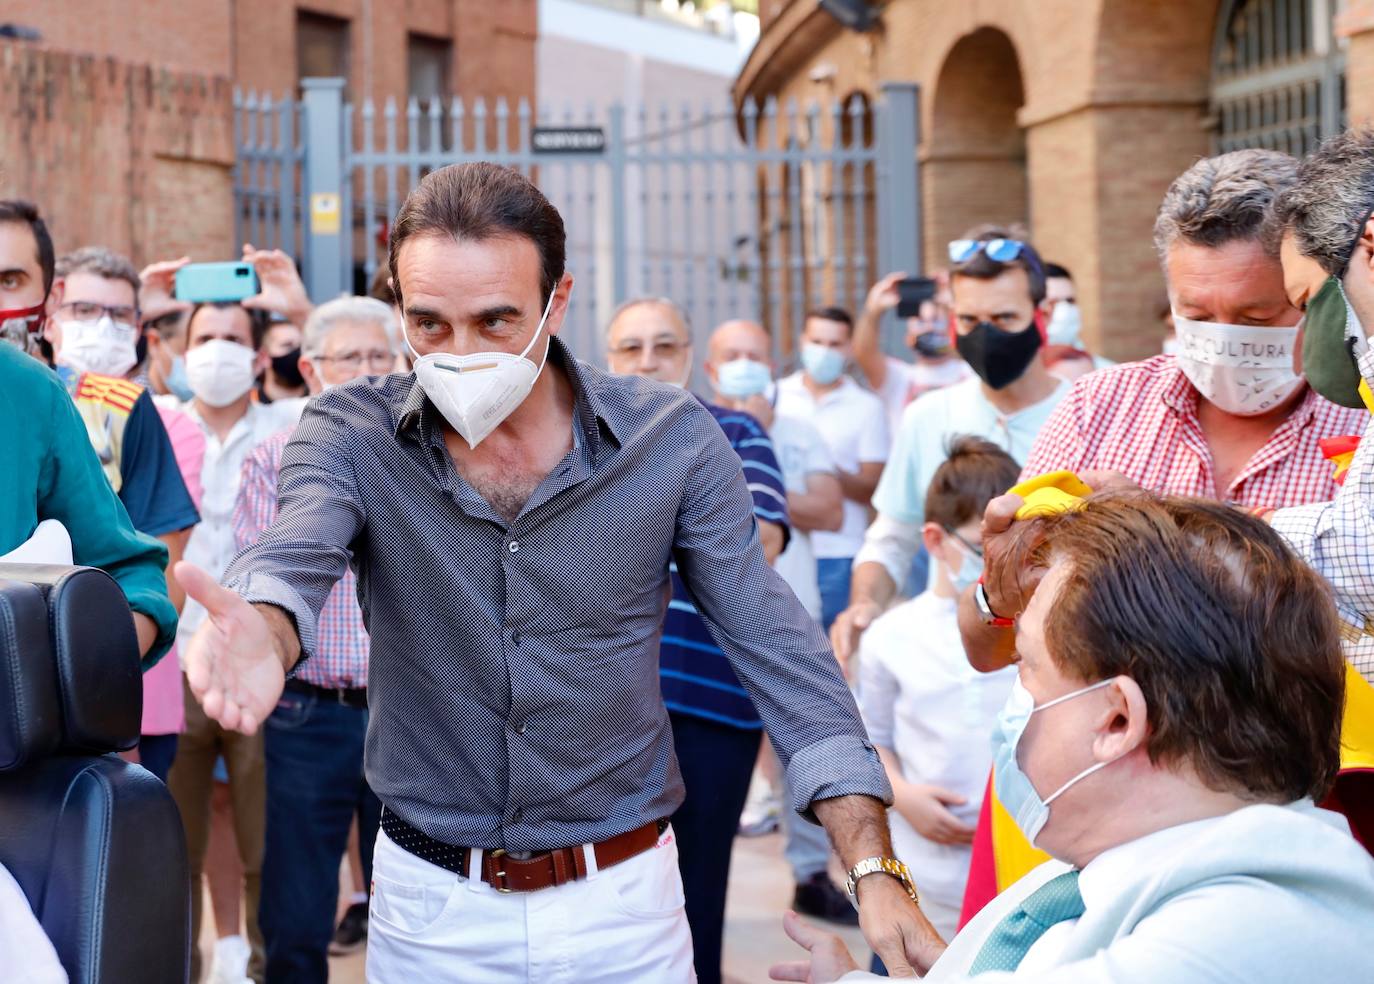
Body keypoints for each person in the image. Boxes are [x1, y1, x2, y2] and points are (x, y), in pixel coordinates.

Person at [176, 162, 940, 981]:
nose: (461, 353)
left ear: (558, 303)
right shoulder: (348, 431)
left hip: (623, 906)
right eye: (429, 324)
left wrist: (872, 867)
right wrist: (269, 623)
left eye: (497, 321)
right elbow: (300, 543)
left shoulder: (668, 439)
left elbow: (778, 649)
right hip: (431, 909)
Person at [773, 495, 1374, 983]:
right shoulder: (1107, 876)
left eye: (1027, 667)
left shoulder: (1242, 932)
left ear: (1117, 720)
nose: (1014, 704)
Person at [607, 301, 790, 984]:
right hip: (605, 707)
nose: (647, 361)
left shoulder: (735, 431)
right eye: (630, 348)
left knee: (695, 899)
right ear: (609, 356)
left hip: (712, 706)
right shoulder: (579, 442)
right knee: (608, 896)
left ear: (690, 356)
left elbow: (759, 542)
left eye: (663, 345)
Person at [236, 296, 396, 983]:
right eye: (349, 358)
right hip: (310, 713)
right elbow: (256, 576)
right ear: (310, 368)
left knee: (414, 907)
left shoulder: (424, 457)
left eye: (379, 358)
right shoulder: (273, 458)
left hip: (409, 712)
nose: (366, 372)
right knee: (297, 912)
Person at [832, 229, 1069, 670]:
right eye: (969, 321)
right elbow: (893, 538)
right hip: (949, 660)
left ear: (1044, 314)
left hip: (1062, 656)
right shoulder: (928, 417)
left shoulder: (1085, 413)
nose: (986, 336)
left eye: (1003, 319)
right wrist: (864, 604)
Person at [165, 293, 307, 984]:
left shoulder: (293, 425)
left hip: (257, 665)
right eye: (203, 337)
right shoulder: (155, 422)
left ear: (257, 356)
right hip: (170, 665)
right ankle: (183, 967)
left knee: (263, 845)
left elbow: (355, 374)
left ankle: (255, 967)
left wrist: (301, 309)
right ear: (183, 354)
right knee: (171, 845)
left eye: (231, 337)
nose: (216, 350)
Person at [45, 246, 202, 782]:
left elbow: (165, 568)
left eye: (118, 316)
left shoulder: (124, 408)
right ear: (51, 309)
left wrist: (106, 689)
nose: (101, 329)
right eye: (85, 311)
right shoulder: (22, 392)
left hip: (100, 690)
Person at [856, 437, 1019, 942]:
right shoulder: (893, 635)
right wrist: (903, 796)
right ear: (933, 539)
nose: (1000, 561)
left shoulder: (1039, 629)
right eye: (982, 546)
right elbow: (871, 738)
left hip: (1014, 878)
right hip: (923, 880)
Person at [0, 199, 176, 661]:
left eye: (10, 281)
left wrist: (80, 679)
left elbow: (131, 566)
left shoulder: (33, 392)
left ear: (47, 297)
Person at [776, 306, 889, 633]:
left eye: (834, 344)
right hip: (787, 548)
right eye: (817, 341)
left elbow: (871, 487)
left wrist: (820, 464)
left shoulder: (866, 407)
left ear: (850, 349)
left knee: (833, 653)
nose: (824, 351)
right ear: (802, 341)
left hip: (840, 551)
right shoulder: (778, 396)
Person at [852, 271, 970, 436]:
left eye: (937, 320)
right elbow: (864, 352)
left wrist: (962, 302)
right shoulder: (899, 378)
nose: (930, 327)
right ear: (908, 337)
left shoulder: (972, 374)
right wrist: (873, 310)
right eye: (921, 322)